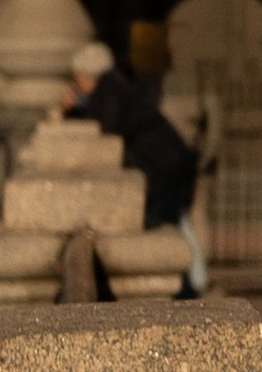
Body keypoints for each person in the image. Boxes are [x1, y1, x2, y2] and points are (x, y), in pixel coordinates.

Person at [65, 40, 208, 294]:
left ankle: (187, 292)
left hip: (163, 170)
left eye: (77, 78)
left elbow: (106, 131)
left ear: (87, 75)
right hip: (168, 166)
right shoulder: (116, 87)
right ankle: (190, 287)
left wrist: (75, 110)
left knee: (160, 230)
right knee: (171, 227)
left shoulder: (108, 92)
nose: (76, 84)